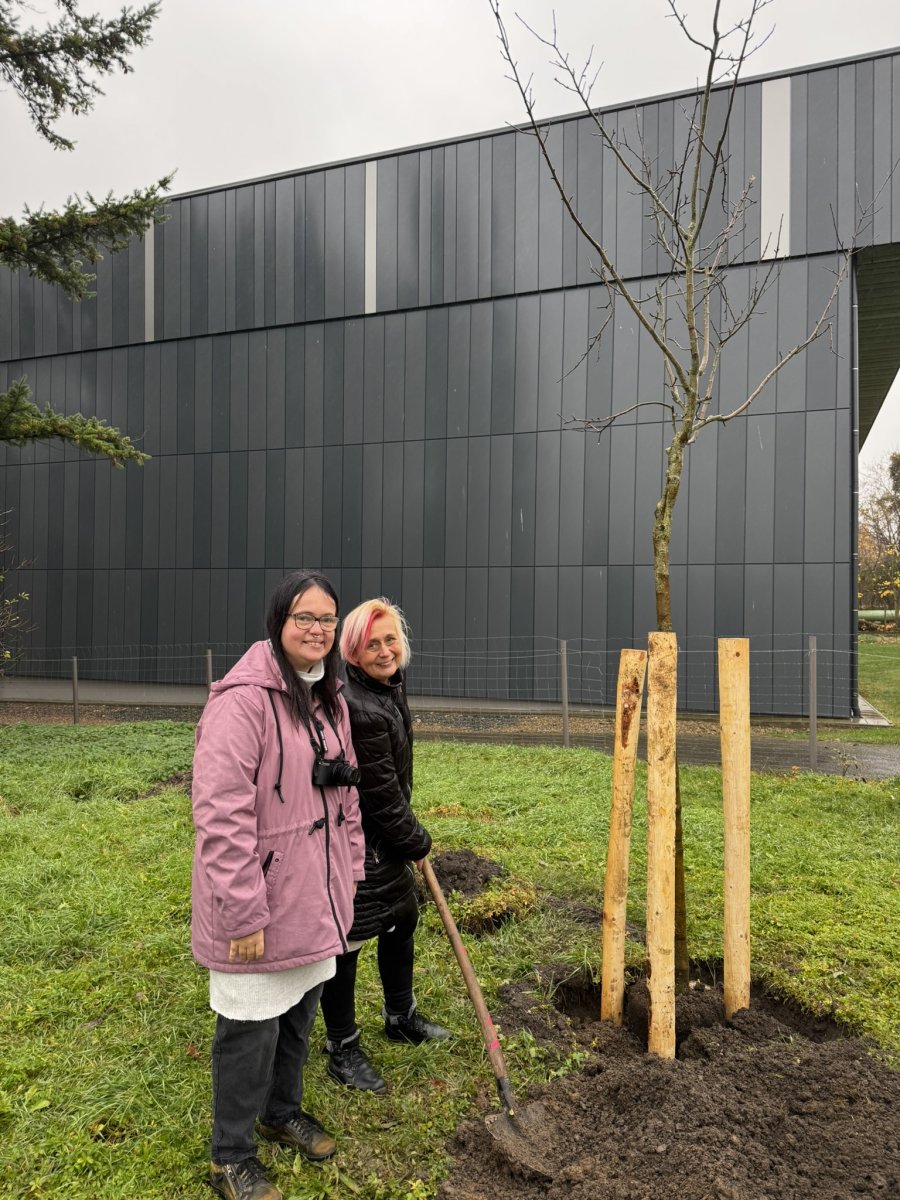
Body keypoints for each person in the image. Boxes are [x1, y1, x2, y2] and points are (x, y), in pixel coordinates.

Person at [191, 571, 366, 1200]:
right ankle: (231, 1155)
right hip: (261, 899)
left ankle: (280, 1110)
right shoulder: (242, 703)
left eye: (327, 619)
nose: (317, 630)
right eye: (304, 617)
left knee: (300, 1008)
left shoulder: (329, 697)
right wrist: (244, 912)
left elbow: (346, 796)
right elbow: (221, 814)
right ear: (278, 622)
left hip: (315, 893)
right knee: (250, 1024)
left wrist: (349, 876)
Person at [319, 598, 450, 1094]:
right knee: (349, 941)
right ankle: (342, 1045)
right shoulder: (359, 707)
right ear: (352, 652)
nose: (384, 650)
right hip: (360, 845)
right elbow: (380, 797)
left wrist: (406, 840)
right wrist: (416, 839)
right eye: (371, 644)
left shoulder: (386, 689)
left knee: (402, 920)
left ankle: (400, 1017)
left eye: (391, 639)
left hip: (384, 844)